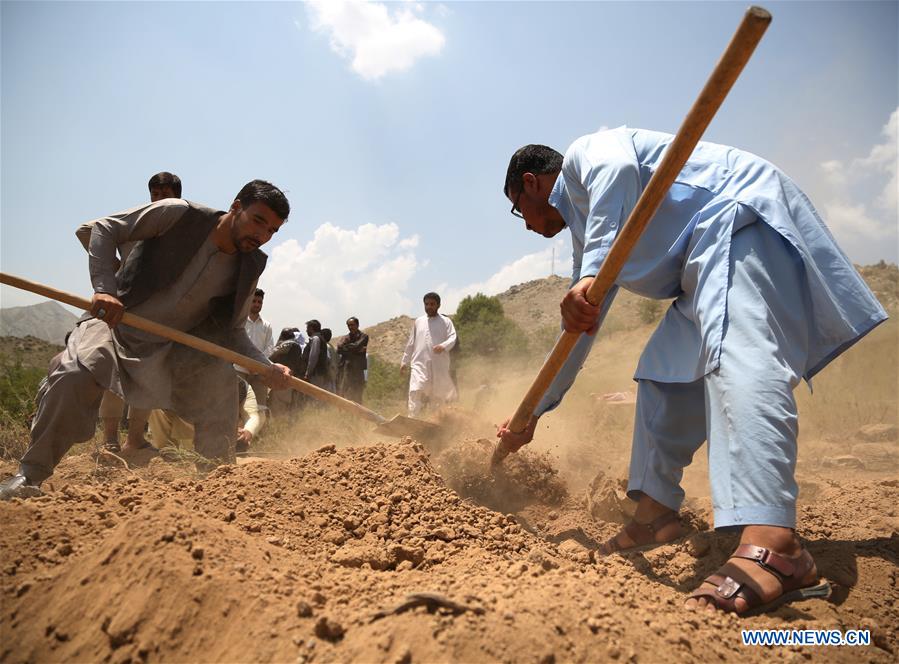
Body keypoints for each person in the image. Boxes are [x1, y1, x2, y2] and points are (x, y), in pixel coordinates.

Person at [496, 128, 888, 616]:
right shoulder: (590, 231)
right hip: (698, 273)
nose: (529, 227)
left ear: (532, 185)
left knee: (737, 355)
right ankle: (654, 516)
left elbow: (617, 174)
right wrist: (533, 411)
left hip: (736, 223)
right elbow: (580, 332)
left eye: (519, 211)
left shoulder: (586, 156)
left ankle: (776, 546)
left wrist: (593, 271)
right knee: (663, 375)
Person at [1, 179, 293, 500]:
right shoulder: (178, 213)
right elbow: (103, 229)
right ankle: (29, 476)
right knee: (76, 372)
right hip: (117, 324)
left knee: (221, 384)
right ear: (236, 206)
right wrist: (105, 289)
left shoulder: (250, 264)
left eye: (272, 231)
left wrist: (266, 367)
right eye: (258, 221)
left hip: (173, 349)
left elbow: (234, 331)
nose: (262, 236)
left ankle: (217, 490)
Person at [74, 172, 184, 454]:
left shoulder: (181, 226)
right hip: (123, 305)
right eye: (155, 194)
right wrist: (116, 268)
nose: (158, 200)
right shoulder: (137, 220)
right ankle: (110, 440)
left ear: (177, 197)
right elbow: (87, 230)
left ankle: (135, 440)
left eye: (164, 194)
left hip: (157, 311)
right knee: (115, 370)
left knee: (148, 372)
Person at [400, 292, 457, 417]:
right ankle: (412, 418)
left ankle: (435, 420)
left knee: (437, 395)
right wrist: (404, 361)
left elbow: (453, 337)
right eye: (426, 304)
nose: (429, 307)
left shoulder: (446, 321)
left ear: (438, 305)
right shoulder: (418, 321)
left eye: (432, 304)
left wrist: (443, 346)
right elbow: (411, 343)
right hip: (419, 363)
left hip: (438, 364)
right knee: (416, 389)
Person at [235, 287, 275, 414]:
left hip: (260, 372)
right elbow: (235, 344)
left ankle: (257, 434)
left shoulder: (266, 325)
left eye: (260, 302)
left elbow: (269, 348)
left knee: (259, 407)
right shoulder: (239, 322)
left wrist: (257, 364)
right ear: (249, 302)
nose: (257, 304)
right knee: (236, 404)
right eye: (254, 301)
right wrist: (247, 363)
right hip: (239, 370)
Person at [337, 317, 369, 404]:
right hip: (347, 370)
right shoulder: (345, 337)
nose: (350, 327)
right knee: (347, 394)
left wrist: (348, 348)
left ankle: (358, 416)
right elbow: (339, 349)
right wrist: (356, 349)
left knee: (358, 395)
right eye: (349, 325)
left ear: (357, 325)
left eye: (352, 325)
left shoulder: (364, 336)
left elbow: (356, 345)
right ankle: (348, 416)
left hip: (358, 371)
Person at [301, 320, 329, 390]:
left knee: (313, 396)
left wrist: (307, 373)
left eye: (307, 328)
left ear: (311, 328)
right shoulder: (319, 338)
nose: (306, 331)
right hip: (317, 373)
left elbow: (313, 357)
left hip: (315, 374)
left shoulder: (315, 339)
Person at [321, 328, 339, 393]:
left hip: (327, 376)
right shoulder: (332, 347)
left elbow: (327, 361)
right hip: (333, 375)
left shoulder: (325, 347)